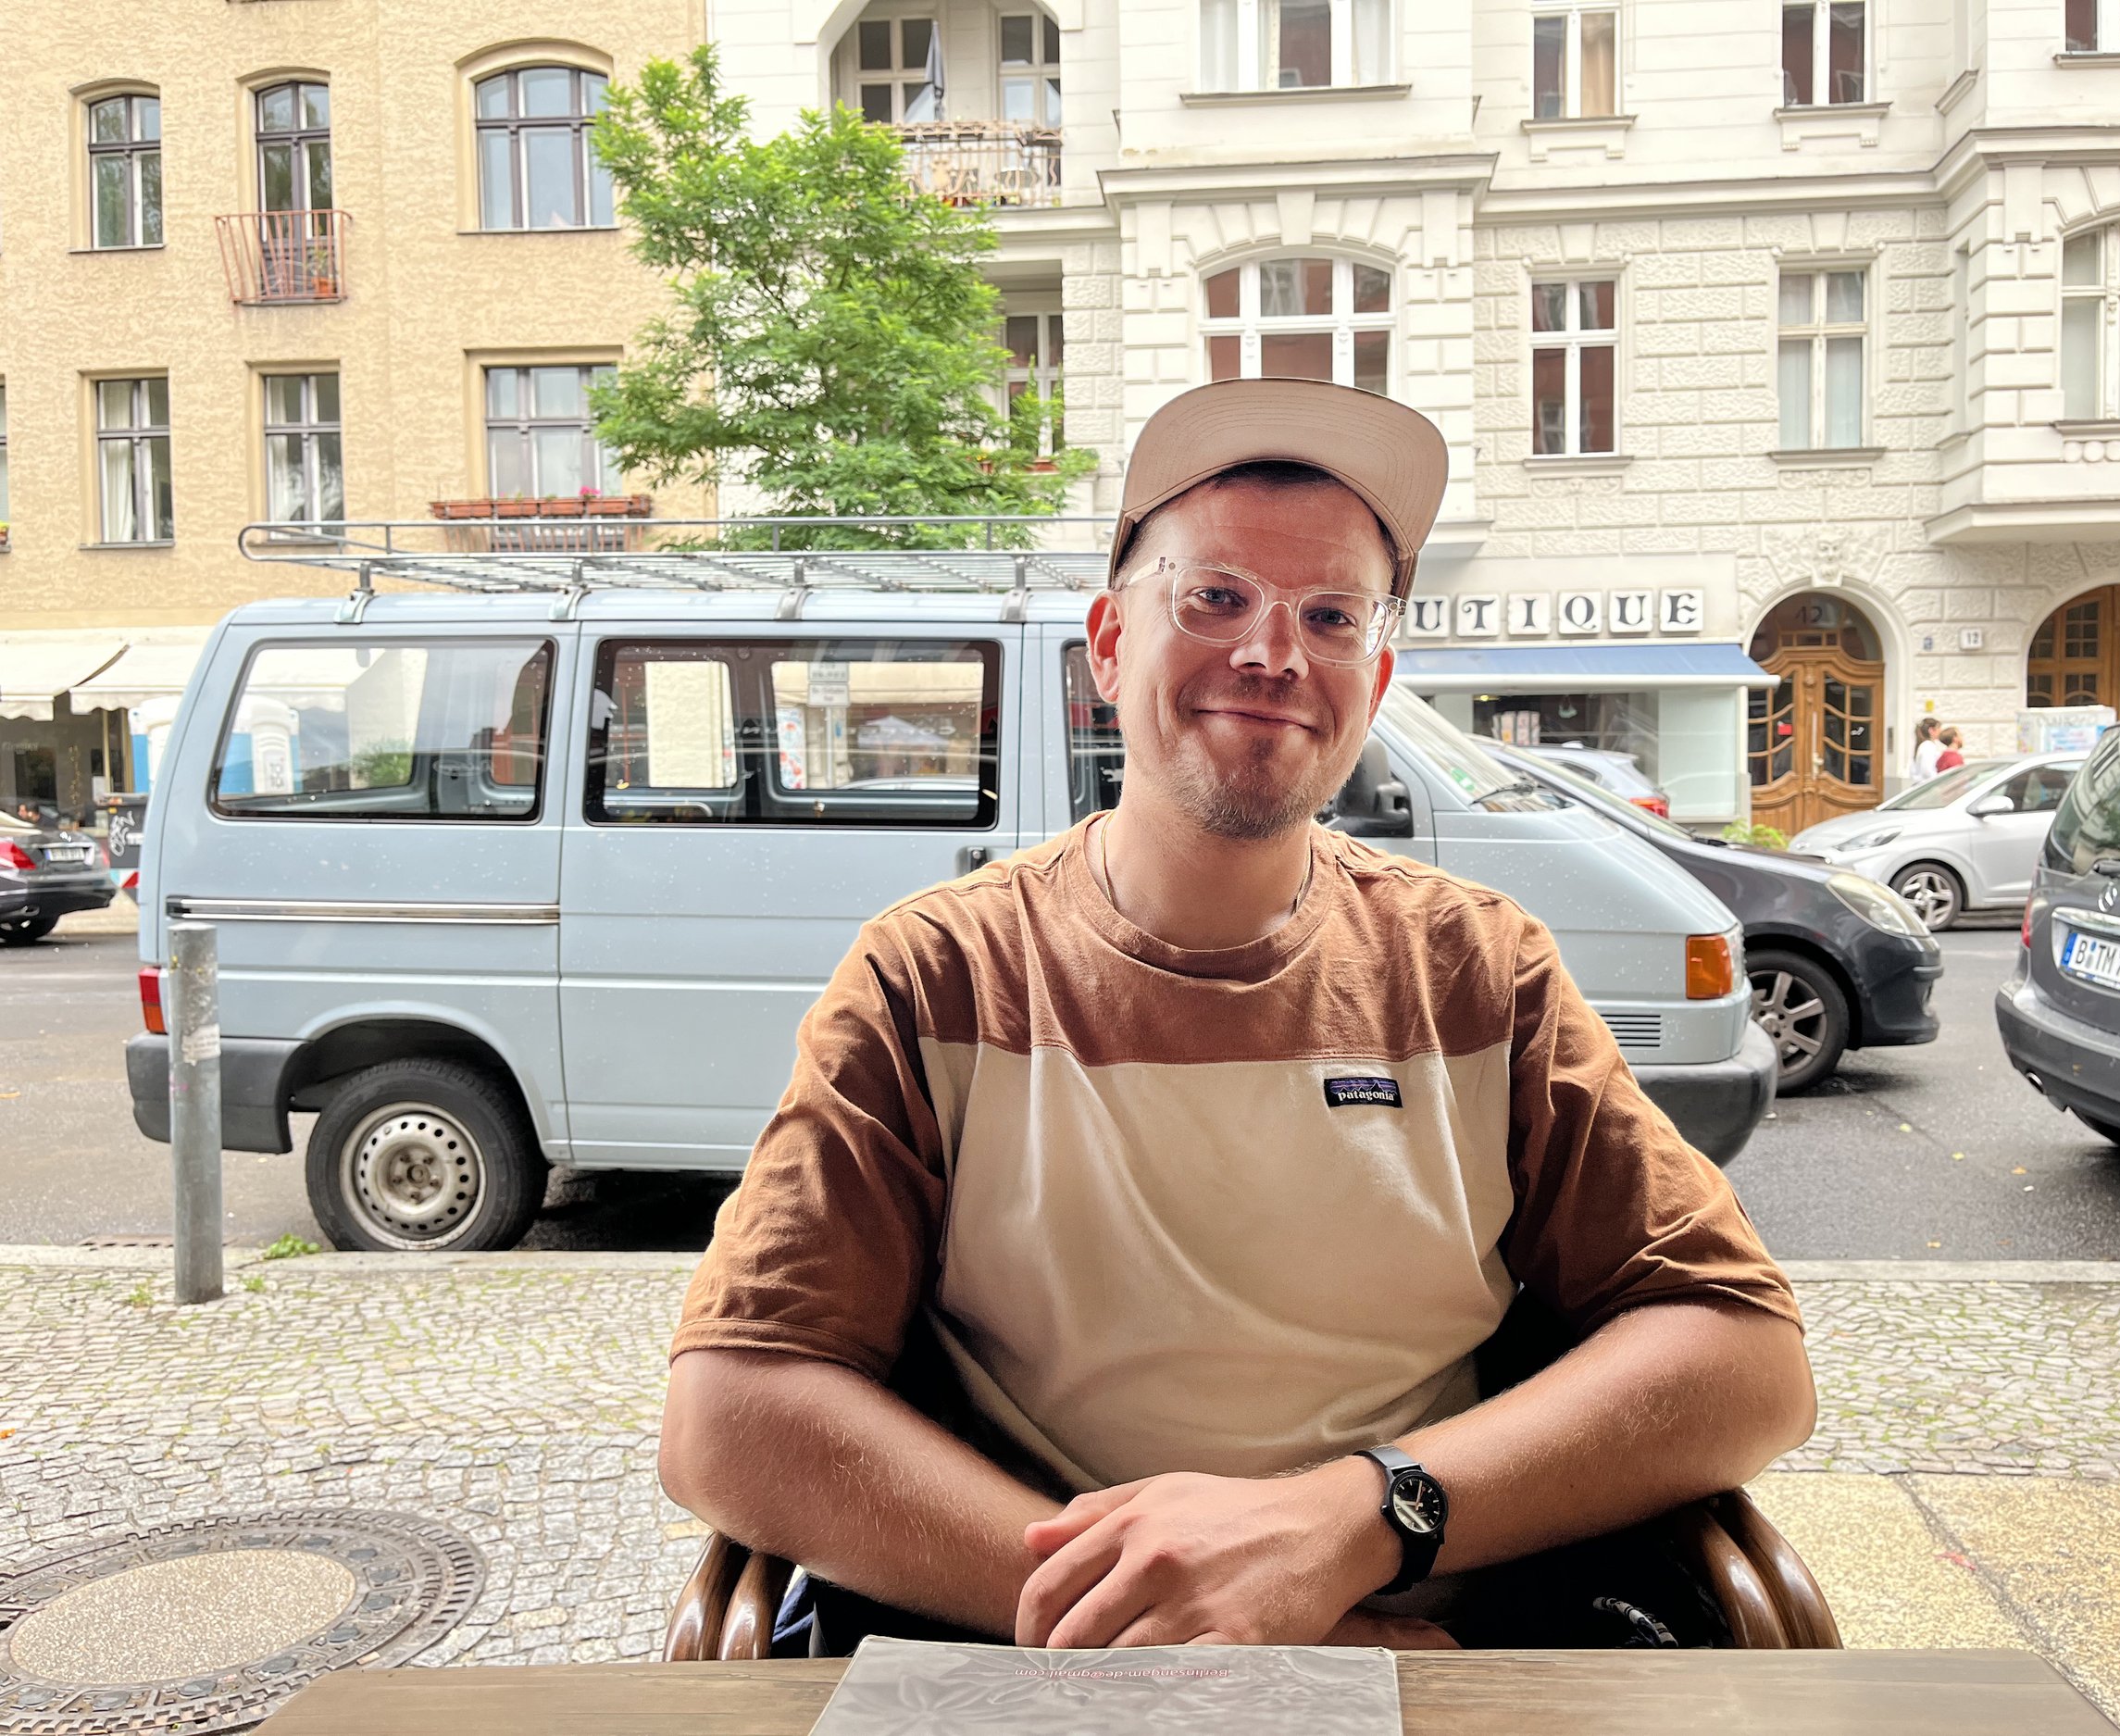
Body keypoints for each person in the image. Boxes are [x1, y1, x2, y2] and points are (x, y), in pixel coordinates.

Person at [660, 378, 1814, 1655]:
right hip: (1035, 1668)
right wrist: (1171, 1624)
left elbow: (1747, 1354)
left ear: (1372, 681)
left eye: (1329, 615)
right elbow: (732, 1410)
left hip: (1421, 1665)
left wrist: (1357, 1522)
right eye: (1213, 598)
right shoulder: (933, 977)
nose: (1272, 653)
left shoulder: (1477, 971)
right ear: (1108, 645)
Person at [1911, 717, 1945, 783]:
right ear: (1931, 730)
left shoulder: (1926, 745)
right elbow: (1927, 771)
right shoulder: (1928, 746)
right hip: (1928, 785)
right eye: (1939, 728)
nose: (1941, 731)